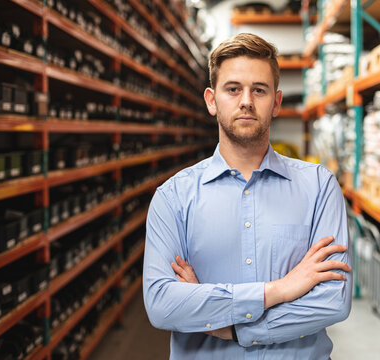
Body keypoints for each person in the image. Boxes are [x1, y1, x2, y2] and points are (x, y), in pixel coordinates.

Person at [143, 33, 352, 360]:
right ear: (212, 101)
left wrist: (228, 326)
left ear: (277, 102)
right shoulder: (173, 198)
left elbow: (332, 301)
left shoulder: (319, 187)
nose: (246, 101)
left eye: (259, 90)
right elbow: (162, 306)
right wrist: (278, 290)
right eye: (233, 89)